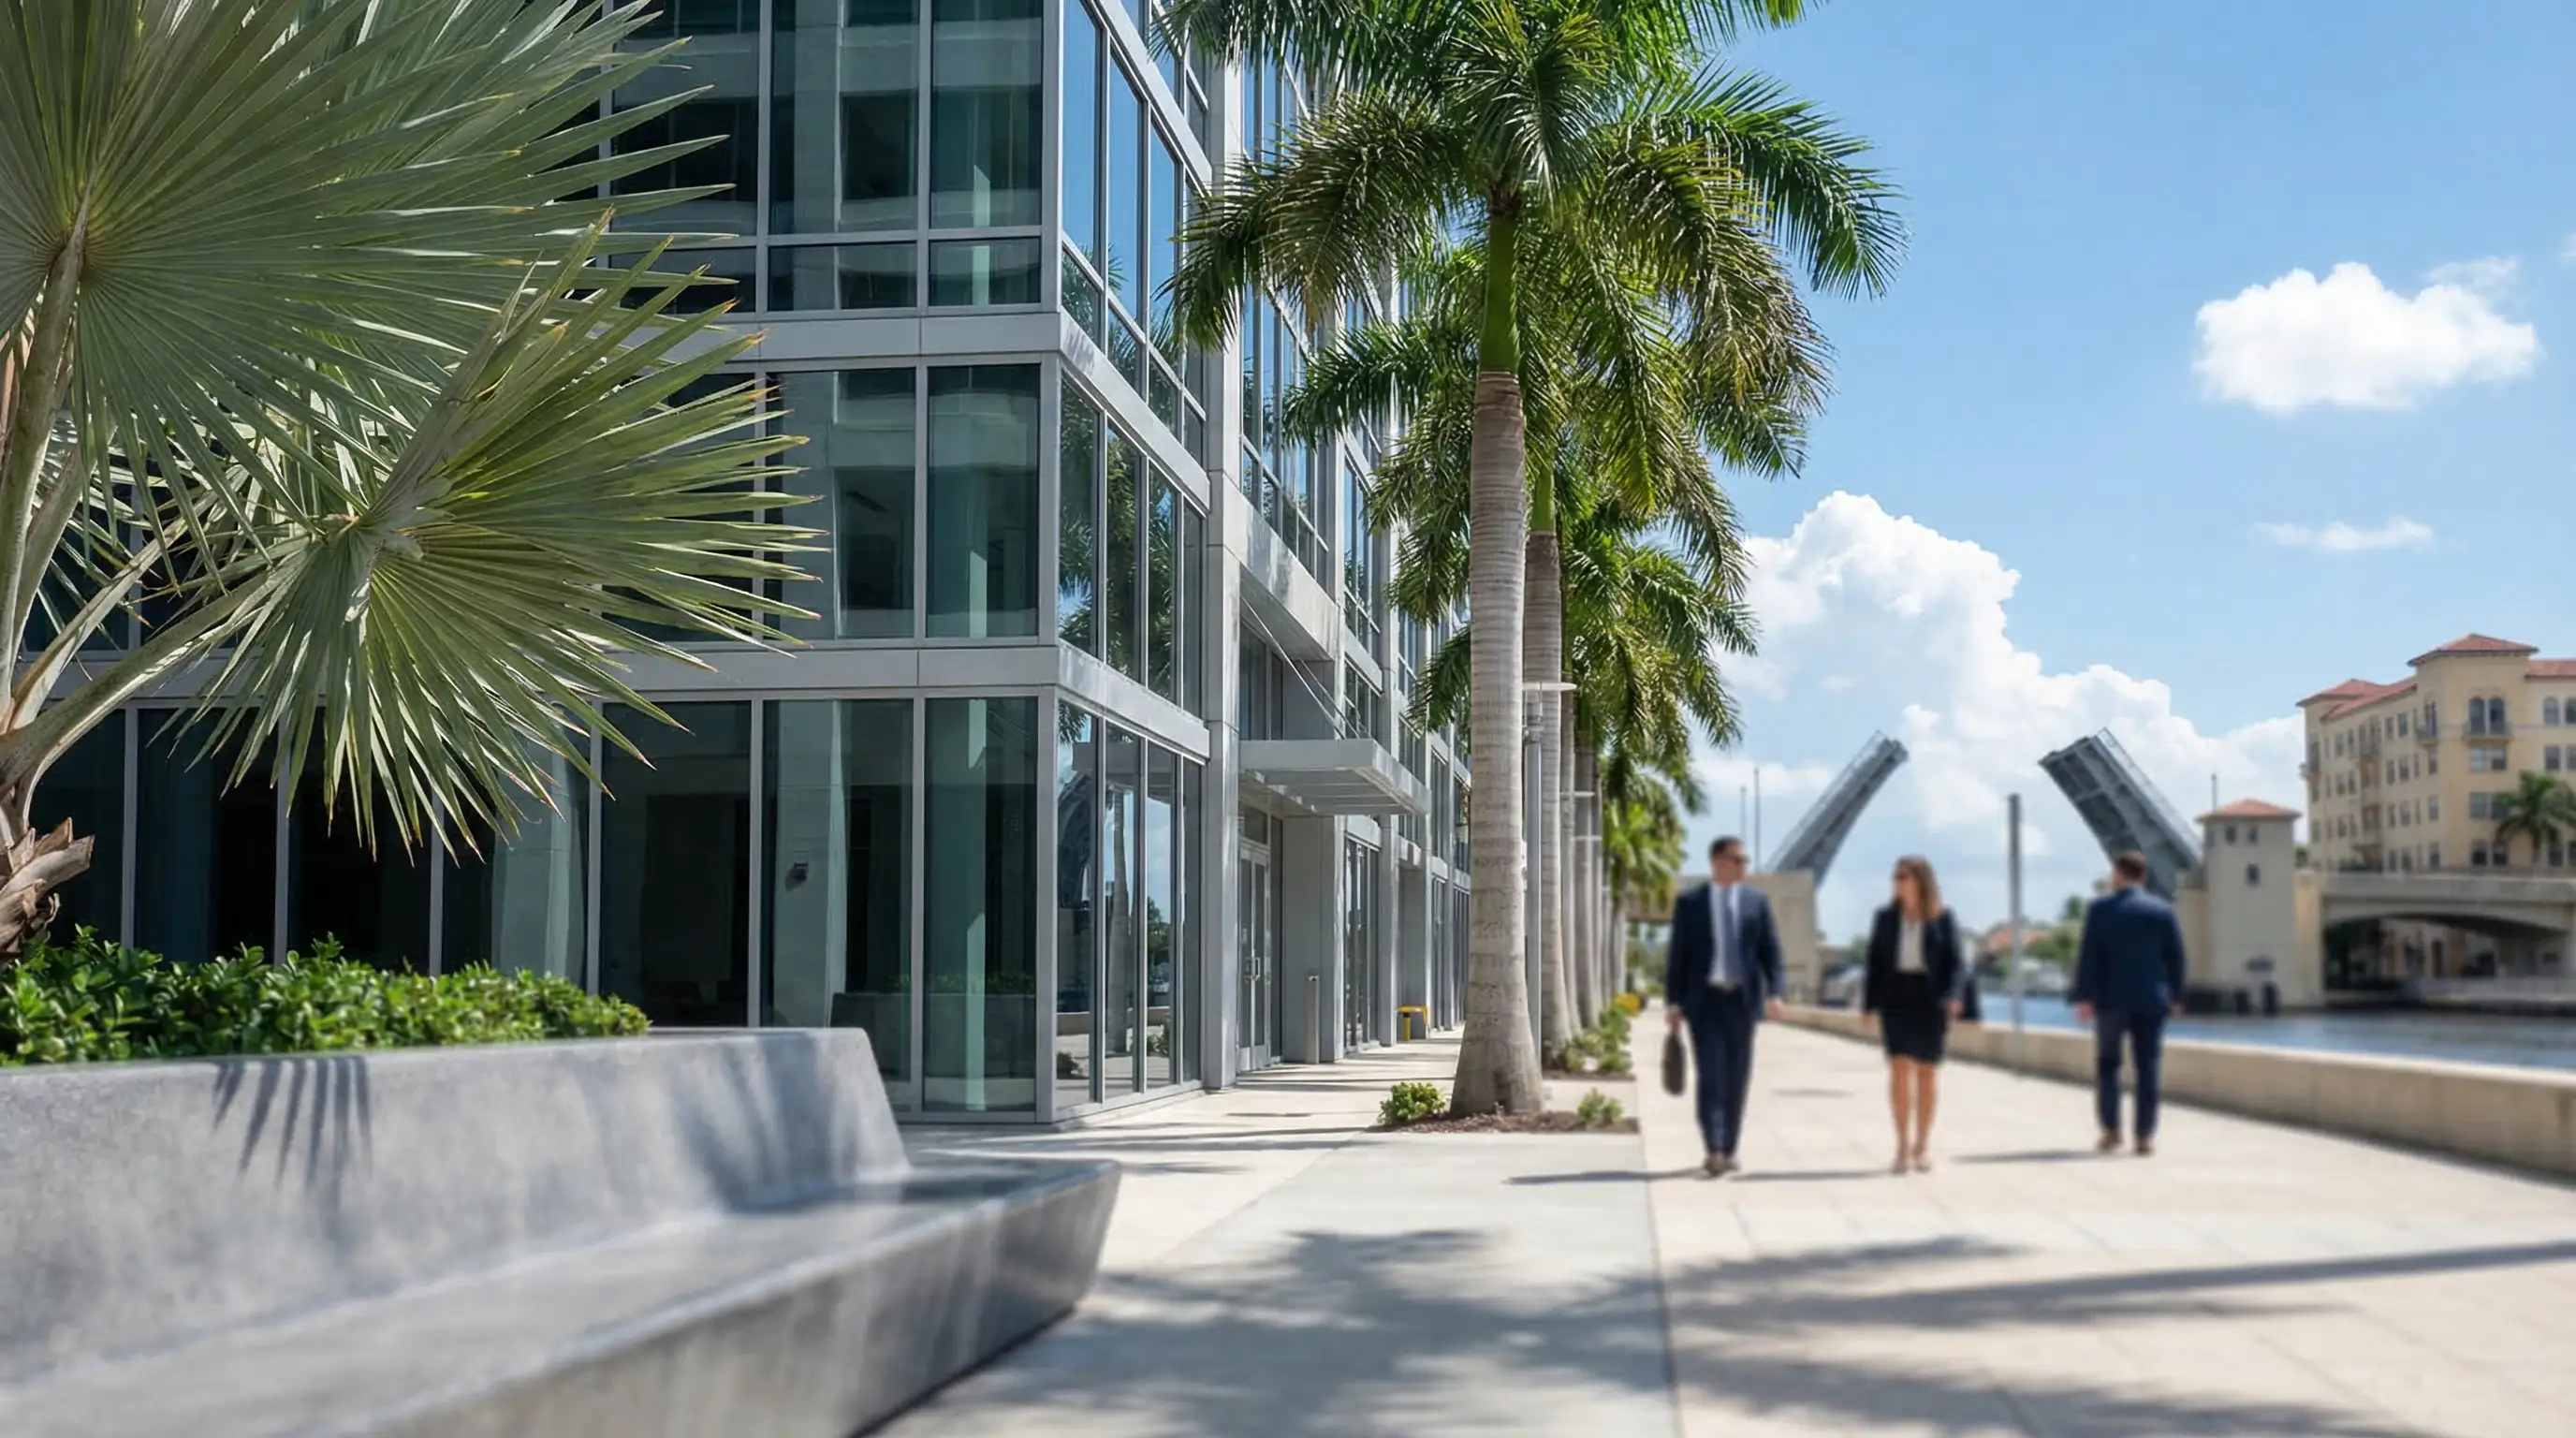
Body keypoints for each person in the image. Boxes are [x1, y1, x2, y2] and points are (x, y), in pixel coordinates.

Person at [1663, 836, 1785, 1178]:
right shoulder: (1691, 903)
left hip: (1743, 1004)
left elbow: (1771, 952)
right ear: (1718, 861)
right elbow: (1679, 957)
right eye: (1739, 859)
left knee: (1737, 1078)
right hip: (1704, 1003)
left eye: (1746, 860)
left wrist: (1776, 993)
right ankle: (1714, 1148)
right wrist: (1673, 1002)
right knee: (1711, 1076)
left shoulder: (1756, 902)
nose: (1745, 866)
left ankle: (1730, 1147)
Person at [2071, 850, 2188, 1156]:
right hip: (2151, 1000)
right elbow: (2175, 957)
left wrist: (2084, 997)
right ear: (2144, 876)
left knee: (2108, 1065)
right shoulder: (2162, 910)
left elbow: (2089, 957)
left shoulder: (2100, 909)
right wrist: (2175, 996)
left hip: (2110, 1001)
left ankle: (2111, 1131)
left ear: (2118, 875)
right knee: (2148, 1067)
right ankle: (2144, 1136)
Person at [1860, 856, 1967, 1174]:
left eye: (1904, 876)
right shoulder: (1885, 917)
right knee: (1898, 1068)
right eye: (1896, 876)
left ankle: (1923, 1144)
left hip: (1929, 998)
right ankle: (1902, 1145)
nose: (1898, 882)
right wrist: (1868, 1006)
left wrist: (1954, 997)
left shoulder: (1943, 918)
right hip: (1896, 996)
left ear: (1920, 881)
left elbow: (1957, 964)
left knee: (1926, 1072)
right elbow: (1874, 964)